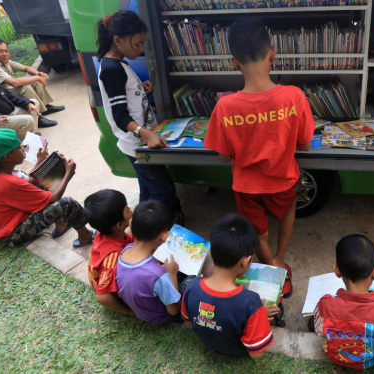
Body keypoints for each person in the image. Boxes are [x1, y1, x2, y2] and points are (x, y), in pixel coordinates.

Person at [204, 18, 315, 298]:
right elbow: (305, 146)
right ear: (273, 54)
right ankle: (281, 255)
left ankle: (274, 266)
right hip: (285, 180)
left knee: (258, 234)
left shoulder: (225, 106)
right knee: (288, 209)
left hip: (247, 187)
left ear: (233, 63)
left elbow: (222, 157)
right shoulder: (294, 97)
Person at [95, 11, 183, 225]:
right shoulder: (112, 69)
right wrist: (147, 134)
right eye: (137, 44)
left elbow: (125, 98)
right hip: (139, 144)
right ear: (117, 40)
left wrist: (141, 90)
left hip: (140, 142)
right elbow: (119, 116)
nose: (141, 49)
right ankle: (156, 232)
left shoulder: (119, 64)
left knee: (147, 190)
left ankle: (141, 230)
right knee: (163, 191)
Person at [0, 128, 94, 247]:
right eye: (19, 147)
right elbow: (54, 198)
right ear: (7, 157)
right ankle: (85, 236)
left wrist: (41, 163)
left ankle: (61, 224)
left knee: (43, 183)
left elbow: (25, 186)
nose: (24, 146)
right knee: (67, 204)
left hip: (8, 224)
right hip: (11, 235)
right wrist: (68, 173)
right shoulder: (7, 183)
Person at [180, 214, 275, 359]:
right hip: (236, 350)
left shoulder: (191, 287)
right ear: (245, 261)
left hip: (206, 341)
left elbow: (188, 318)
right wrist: (259, 315)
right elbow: (257, 355)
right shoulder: (250, 302)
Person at [312, 235, 374, 370]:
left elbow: (318, 331)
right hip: (372, 361)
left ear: (337, 270)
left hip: (336, 357)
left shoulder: (325, 305)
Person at [115, 200, 184, 324]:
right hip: (162, 317)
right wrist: (172, 274)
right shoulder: (158, 275)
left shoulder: (125, 251)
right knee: (190, 282)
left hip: (142, 310)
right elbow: (174, 310)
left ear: (131, 224)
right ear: (164, 236)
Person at [84, 189, 135, 315]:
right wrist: (127, 310)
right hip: (113, 290)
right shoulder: (114, 257)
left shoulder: (103, 234)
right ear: (119, 225)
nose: (131, 210)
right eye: (127, 209)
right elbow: (102, 297)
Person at [0, 38, 64, 122]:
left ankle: (45, 107)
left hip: (9, 90)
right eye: (0, 51)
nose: (4, 54)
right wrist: (37, 77)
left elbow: (26, 68)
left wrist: (37, 73)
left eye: (6, 51)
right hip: (2, 95)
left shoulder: (5, 61)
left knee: (35, 80)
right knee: (25, 87)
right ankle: (38, 117)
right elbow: (14, 83)